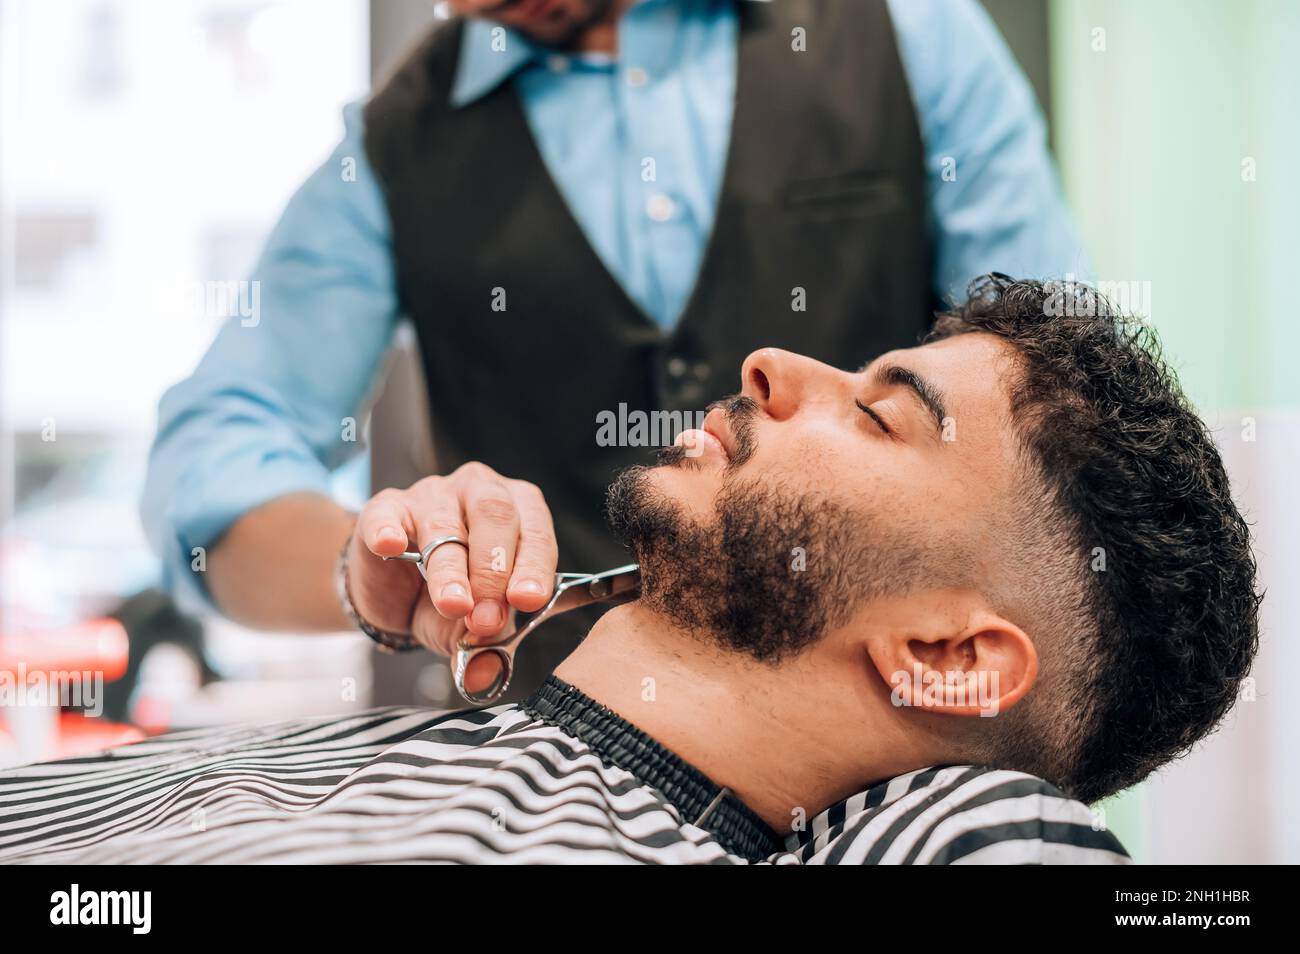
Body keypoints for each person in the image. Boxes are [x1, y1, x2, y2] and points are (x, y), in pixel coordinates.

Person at [9, 277, 1259, 865]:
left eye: (882, 416)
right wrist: (362, 565)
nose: (772, 362)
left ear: (946, 655)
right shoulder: (414, 127)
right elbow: (215, 461)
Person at [143, 0, 1088, 699]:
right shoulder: (394, 151)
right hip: (551, 768)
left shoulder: (905, 38)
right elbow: (213, 456)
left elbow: (1060, 408)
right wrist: (366, 565)